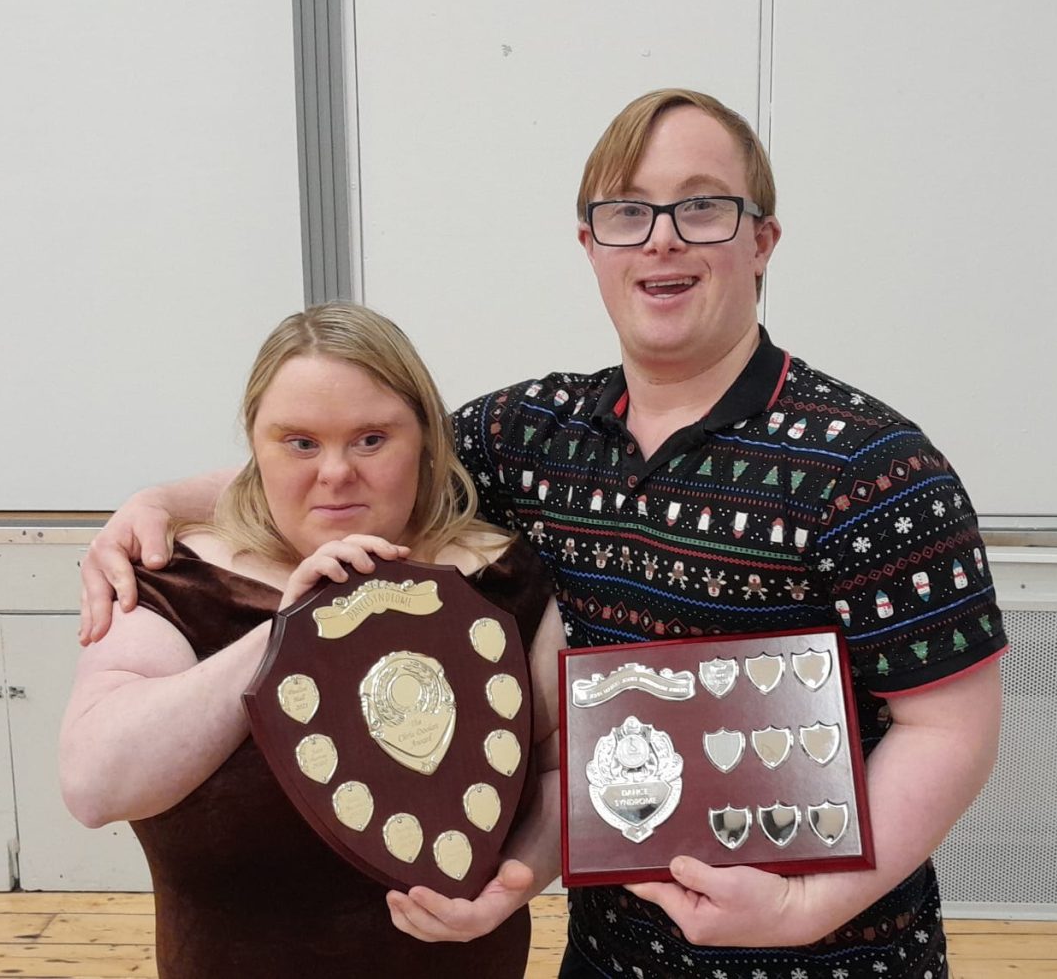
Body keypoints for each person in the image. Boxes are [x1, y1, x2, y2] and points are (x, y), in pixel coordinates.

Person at [79, 89, 1005, 978]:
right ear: (590, 245)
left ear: (763, 240)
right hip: (609, 956)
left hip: (830, 957)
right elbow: (364, 461)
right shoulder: (534, 434)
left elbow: (951, 731)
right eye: (628, 213)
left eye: (703, 208)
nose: (663, 239)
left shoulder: (873, 466)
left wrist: (806, 911)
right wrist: (160, 501)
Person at [60, 302, 566, 979]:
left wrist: (515, 887)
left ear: (423, 438)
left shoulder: (506, 578)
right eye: (300, 443)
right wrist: (289, 633)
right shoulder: (177, 579)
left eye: (371, 439)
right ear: (256, 447)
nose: (335, 473)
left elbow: (568, 770)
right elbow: (95, 787)